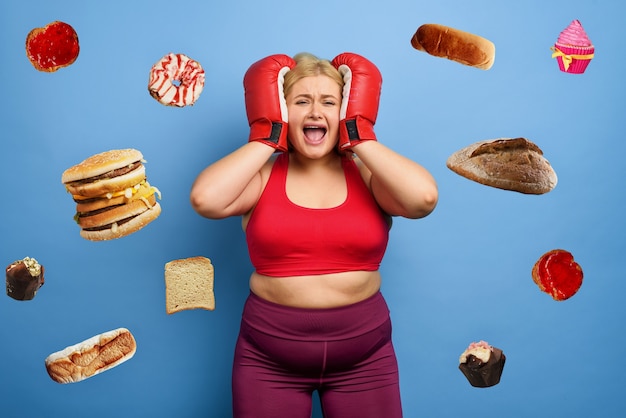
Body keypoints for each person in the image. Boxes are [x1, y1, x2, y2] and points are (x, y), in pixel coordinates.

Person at [190, 51, 438, 418]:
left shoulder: (368, 175)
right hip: (268, 363)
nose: (315, 112)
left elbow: (423, 199)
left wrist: (360, 134)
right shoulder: (260, 177)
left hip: (364, 362)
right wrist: (267, 134)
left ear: (344, 110)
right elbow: (205, 199)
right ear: (282, 109)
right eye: (301, 101)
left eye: (329, 102)